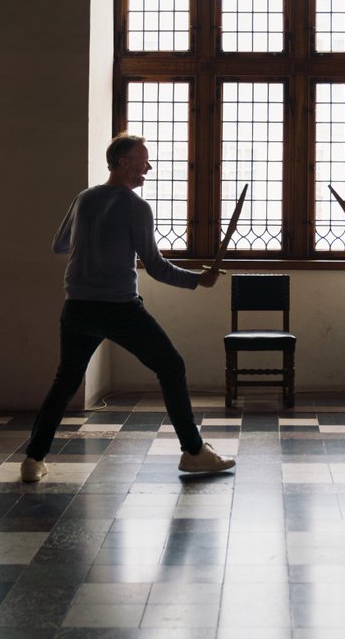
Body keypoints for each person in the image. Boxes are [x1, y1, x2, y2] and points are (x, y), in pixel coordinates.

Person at [20, 133, 235, 481]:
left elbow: (59, 245)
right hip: (119, 309)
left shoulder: (85, 198)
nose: (147, 168)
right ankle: (194, 452)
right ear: (123, 163)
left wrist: (93, 240)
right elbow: (155, 265)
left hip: (77, 308)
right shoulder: (137, 207)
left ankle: (33, 460)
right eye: (142, 161)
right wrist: (199, 280)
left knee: (65, 382)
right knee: (171, 366)